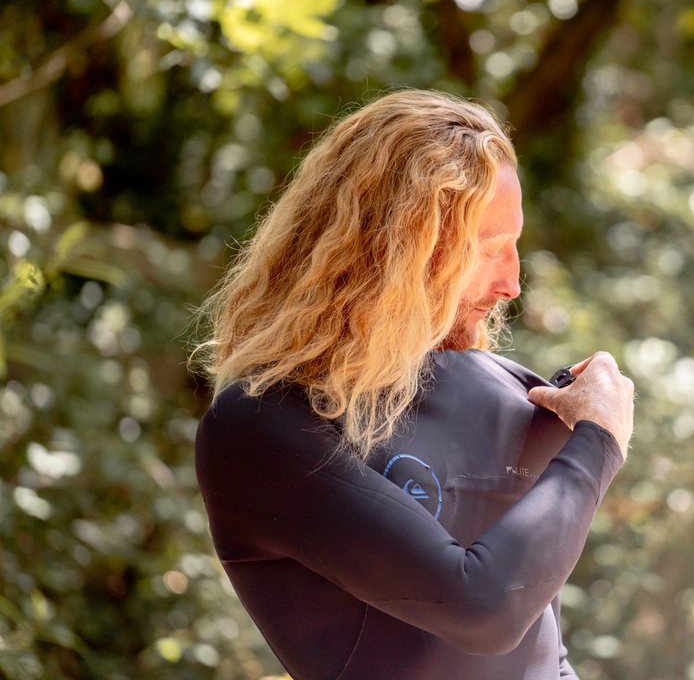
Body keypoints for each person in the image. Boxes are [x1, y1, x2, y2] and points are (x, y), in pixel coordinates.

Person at [191, 89, 634, 679]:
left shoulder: (503, 389)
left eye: (517, 246)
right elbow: (483, 611)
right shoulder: (260, 427)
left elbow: (546, 652)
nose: (513, 284)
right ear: (400, 251)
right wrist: (598, 442)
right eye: (489, 250)